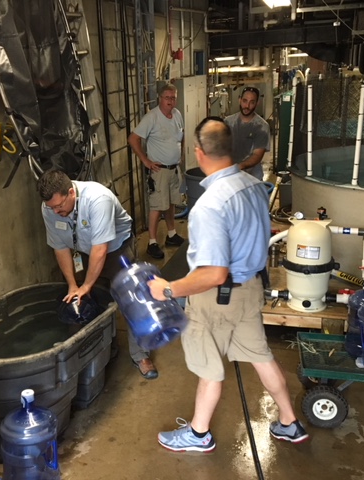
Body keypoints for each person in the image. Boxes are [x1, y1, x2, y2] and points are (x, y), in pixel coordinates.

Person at [147, 117, 308, 452]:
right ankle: (290, 423)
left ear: (198, 152)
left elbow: (213, 274)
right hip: (250, 288)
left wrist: (167, 289)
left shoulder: (208, 205)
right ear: (230, 149)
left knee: (208, 366)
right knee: (262, 357)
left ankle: (198, 433)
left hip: (218, 298)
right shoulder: (254, 186)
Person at [37, 169, 157, 379]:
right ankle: (99, 350)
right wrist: (74, 285)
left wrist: (86, 285)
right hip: (83, 251)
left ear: (71, 193)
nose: (55, 211)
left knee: (132, 300)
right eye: (51, 207)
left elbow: (100, 249)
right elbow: (60, 248)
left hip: (117, 250)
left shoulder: (98, 199)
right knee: (82, 301)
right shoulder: (50, 208)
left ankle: (141, 355)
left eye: (59, 206)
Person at [128, 83, 185, 260]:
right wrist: (145, 160)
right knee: (157, 206)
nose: (171, 101)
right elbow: (133, 139)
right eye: (167, 97)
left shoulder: (177, 115)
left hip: (174, 169)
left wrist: (180, 155)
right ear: (159, 98)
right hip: (159, 171)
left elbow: (181, 136)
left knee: (171, 203)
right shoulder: (151, 117)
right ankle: (152, 242)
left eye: (173, 97)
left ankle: (171, 234)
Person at [224, 86, 270, 181]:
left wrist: (240, 166)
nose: (247, 106)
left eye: (252, 102)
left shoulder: (262, 126)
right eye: (245, 101)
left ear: (257, 103)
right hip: (230, 175)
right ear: (239, 100)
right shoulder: (228, 122)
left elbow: (257, 155)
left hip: (252, 177)